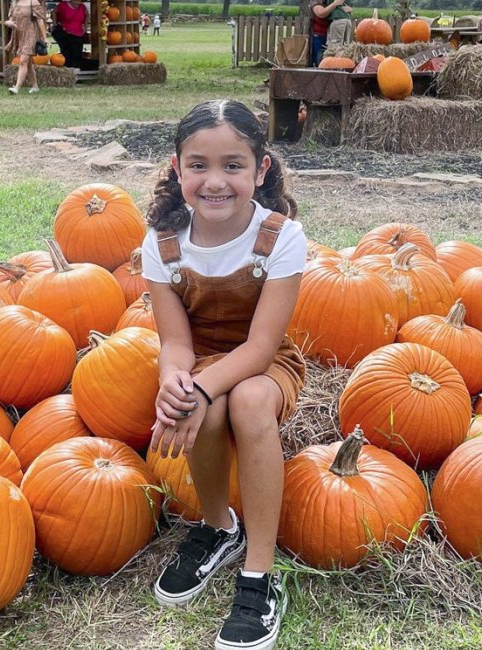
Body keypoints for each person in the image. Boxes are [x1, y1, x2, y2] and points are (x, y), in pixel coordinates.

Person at [143, 99, 306, 650]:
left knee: (249, 401)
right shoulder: (162, 243)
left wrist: (203, 388)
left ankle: (259, 575)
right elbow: (176, 341)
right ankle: (219, 528)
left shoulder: (280, 236)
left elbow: (261, 347)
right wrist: (175, 380)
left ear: (260, 170)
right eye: (199, 165)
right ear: (177, 167)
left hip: (263, 364)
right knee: (200, 405)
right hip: (200, 360)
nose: (215, 181)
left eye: (233, 165)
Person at [4, 0, 48, 93]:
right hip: (19, 35)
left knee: (23, 61)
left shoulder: (34, 2)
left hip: (31, 34)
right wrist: (9, 23)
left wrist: (45, 38)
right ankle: (35, 86)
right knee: (28, 63)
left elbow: (40, 20)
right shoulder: (14, 3)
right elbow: (9, 20)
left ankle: (16, 88)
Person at [51, 0, 85, 69]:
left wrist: (85, 26)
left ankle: (76, 73)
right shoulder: (63, 5)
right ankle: (68, 72)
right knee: (67, 54)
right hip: (66, 34)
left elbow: (87, 15)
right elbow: (53, 12)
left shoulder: (82, 7)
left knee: (77, 56)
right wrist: (55, 24)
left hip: (78, 34)